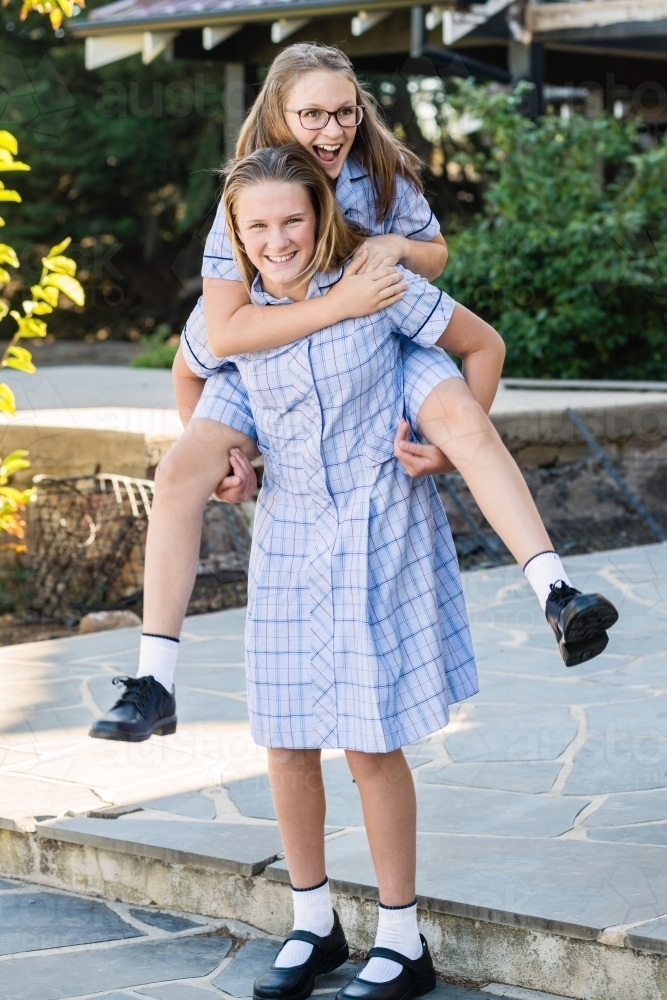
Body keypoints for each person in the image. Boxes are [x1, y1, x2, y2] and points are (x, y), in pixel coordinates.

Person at [89, 43, 617, 745]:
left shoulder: (379, 175)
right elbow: (224, 332)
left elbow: (434, 256)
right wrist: (224, 460)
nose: (331, 129)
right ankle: (156, 679)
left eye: (344, 111)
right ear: (277, 116)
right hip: (266, 355)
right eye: (312, 114)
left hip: (381, 342)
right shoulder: (246, 200)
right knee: (182, 466)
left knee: (458, 409)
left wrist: (396, 251)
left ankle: (553, 591)